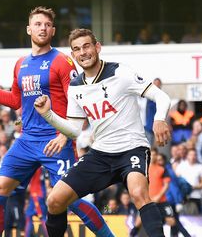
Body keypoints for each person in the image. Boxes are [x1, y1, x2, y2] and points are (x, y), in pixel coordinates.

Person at [0, 8, 113, 237]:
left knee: (71, 201)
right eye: (37, 24)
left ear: (53, 30)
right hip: (26, 141)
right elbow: (16, 100)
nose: (42, 28)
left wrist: (65, 135)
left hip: (56, 141)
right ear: (29, 29)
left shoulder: (62, 61)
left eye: (47, 24)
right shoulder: (20, 63)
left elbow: (79, 99)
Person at [32, 28, 172, 237]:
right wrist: (48, 114)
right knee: (55, 200)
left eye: (87, 46)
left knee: (138, 193)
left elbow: (162, 97)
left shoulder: (121, 72)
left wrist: (159, 119)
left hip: (131, 148)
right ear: (73, 55)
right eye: (77, 49)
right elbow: (74, 130)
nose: (83, 52)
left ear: (97, 47)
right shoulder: (75, 87)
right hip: (100, 154)